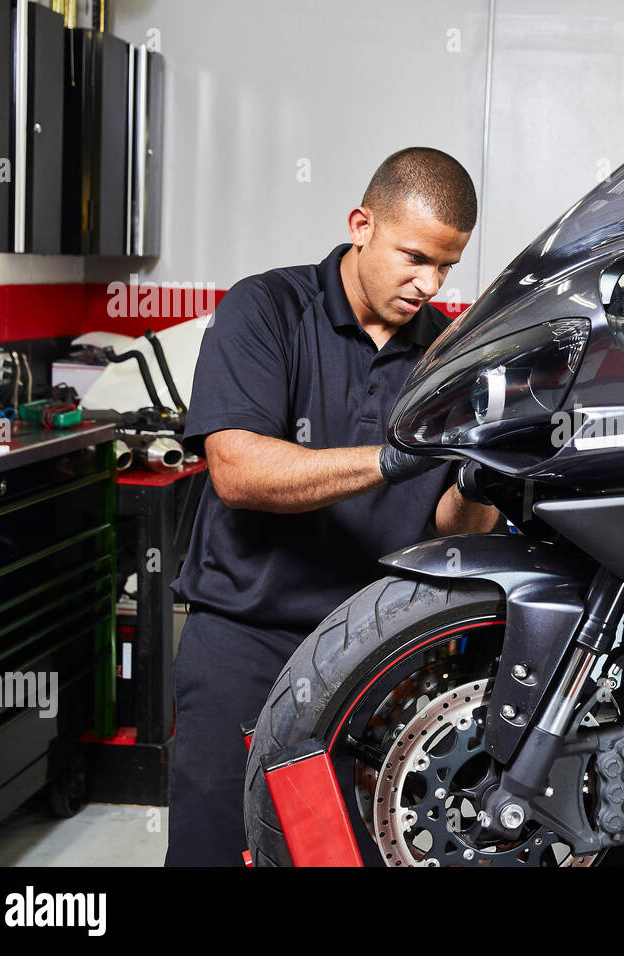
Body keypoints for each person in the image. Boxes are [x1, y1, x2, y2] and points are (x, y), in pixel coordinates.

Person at [165, 147, 499, 866]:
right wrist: (388, 460)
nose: (428, 282)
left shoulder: (449, 356)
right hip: (243, 642)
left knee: (340, 856)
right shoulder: (266, 309)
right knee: (213, 851)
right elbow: (238, 471)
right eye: (414, 256)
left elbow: (453, 527)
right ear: (361, 224)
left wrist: (481, 475)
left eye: (446, 265)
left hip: (373, 656)